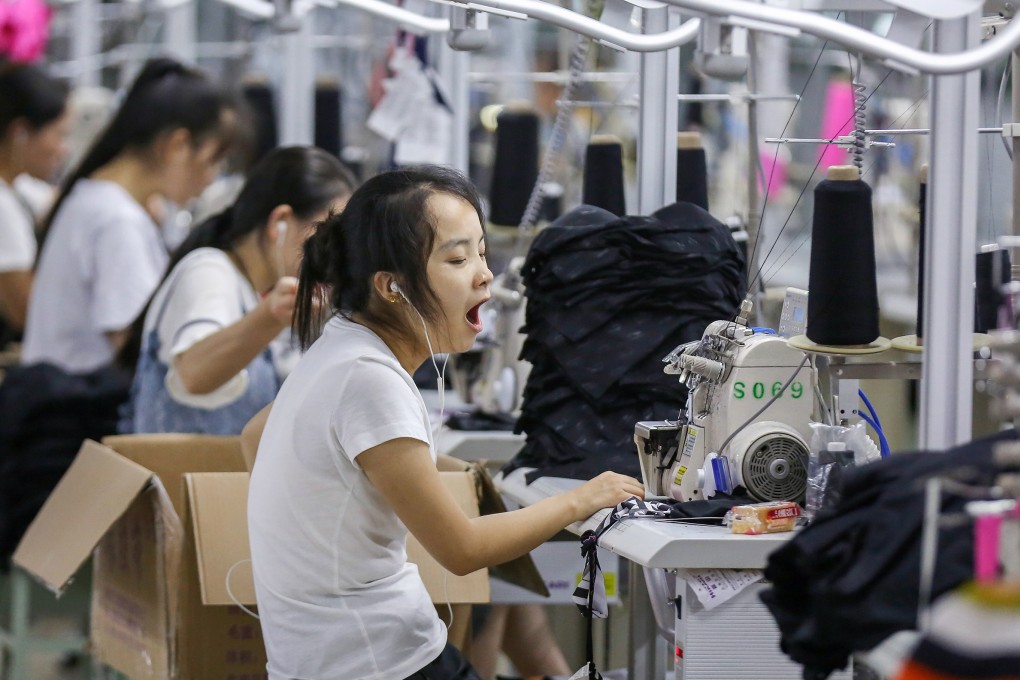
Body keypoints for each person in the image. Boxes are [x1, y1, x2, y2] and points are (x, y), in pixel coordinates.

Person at [246, 165, 644, 680]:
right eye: (457, 259)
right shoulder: (371, 378)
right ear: (391, 286)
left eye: (481, 253)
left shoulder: (338, 348)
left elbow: (255, 438)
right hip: (377, 663)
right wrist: (582, 499)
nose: (484, 274)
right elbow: (463, 549)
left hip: (324, 659)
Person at [116, 145, 355, 435]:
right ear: (279, 223)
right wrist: (269, 316)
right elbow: (193, 374)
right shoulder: (210, 272)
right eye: (324, 237)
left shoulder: (248, 290)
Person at [20, 57, 237, 374]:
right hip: (82, 402)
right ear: (177, 146)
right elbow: (140, 352)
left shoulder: (97, 198)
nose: (210, 179)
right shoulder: (117, 221)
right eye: (213, 161)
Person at [0, 60, 69, 334]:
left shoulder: (18, 187)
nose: (64, 149)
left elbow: (60, 201)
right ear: (20, 133)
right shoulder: (3, 207)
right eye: (59, 135)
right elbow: (29, 314)